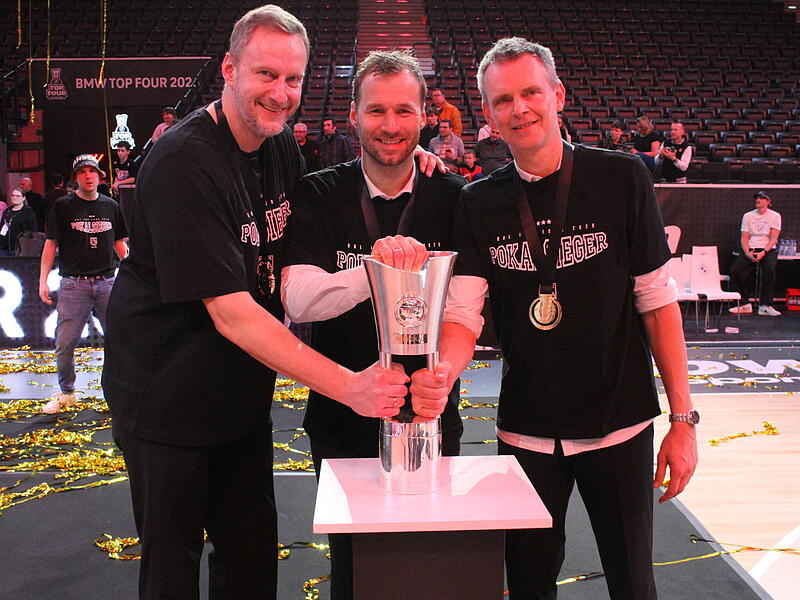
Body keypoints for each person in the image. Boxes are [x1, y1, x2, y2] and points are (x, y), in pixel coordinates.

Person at [101, 7, 411, 599]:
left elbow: (323, 200)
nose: (281, 93)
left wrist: (402, 165)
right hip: (165, 399)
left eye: (293, 79)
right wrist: (348, 386)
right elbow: (233, 313)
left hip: (238, 399)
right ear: (229, 69)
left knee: (249, 565)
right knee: (171, 571)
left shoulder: (276, 149)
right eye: (266, 75)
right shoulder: (184, 160)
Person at [411, 38, 698, 600]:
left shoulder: (622, 177)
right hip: (527, 429)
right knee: (528, 585)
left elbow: (657, 302)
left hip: (621, 422)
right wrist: (445, 368)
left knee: (633, 583)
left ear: (558, 95)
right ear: (488, 115)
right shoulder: (477, 201)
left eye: (530, 92)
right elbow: (464, 314)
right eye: (502, 100)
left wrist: (683, 421)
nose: (519, 108)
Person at [283, 49, 474, 600]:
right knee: (352, 572)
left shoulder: (455, 198)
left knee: (428, 568)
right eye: (375, 111)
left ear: (424, 117)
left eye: (403, 111)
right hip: (341, 414)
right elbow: (298, 300)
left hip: (434, 412)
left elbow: (465, 310)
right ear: (352, 116)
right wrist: (378, 270)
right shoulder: (318, 191)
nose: (390, 126)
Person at [40, 155, 128, 414]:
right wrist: (42, 280)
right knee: (65, 343)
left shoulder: (111, 206)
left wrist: (135, 272)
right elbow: (50, 244)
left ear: (100, 176)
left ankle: (119, 392)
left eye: (93, 171)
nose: (88, 176)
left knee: (119, 340)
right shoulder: (63, 206)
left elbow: (120, 244)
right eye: (83, 172)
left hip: (107, 283)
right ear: (75, 177)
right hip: (73, 285)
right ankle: (67, 393)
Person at [729, 191, 782, 317]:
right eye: (757, 198)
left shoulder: (775, 216)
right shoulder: (748, 216)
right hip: (751, 248)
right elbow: (744, 237)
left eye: (762, 198)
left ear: (768, 202)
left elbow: (774, 237)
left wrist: (764, 252)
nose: (758, 200)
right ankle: (744, 303)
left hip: (767, 249)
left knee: (769, 270)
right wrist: (747, 252)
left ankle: (765, 305)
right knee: (735, 270)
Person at [0, 187, 37, 255]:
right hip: (4, 248)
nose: (15, 197)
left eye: (18, 196)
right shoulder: (7, 211)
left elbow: (32, 230)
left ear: (23, 198)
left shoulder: (27, 212)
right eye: (13, 195)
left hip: (20, 249)